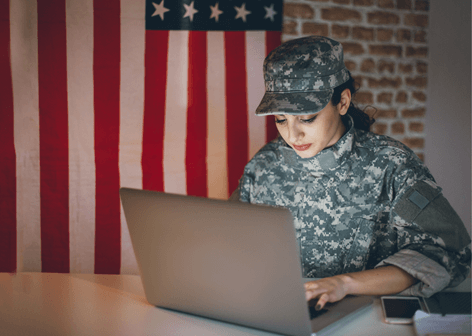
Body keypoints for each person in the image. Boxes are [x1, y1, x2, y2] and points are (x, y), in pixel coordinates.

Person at [229, 36, 471, 311]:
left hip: (364, 318)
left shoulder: (392, 165)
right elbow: (229, 241)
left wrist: (344, 284)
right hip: (276, 312)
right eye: (281, 119)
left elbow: (452, 253)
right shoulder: (263, 167)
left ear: (342, 102)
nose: (292, 134)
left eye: (307, 118)